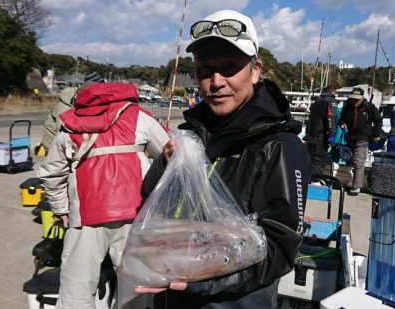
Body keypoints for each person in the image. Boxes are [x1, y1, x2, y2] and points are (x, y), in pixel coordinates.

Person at [134, 9, 312, 309]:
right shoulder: (190, 135)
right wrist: (166, 163)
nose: (216, 81)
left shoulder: (279, 147)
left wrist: (203, 277)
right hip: (169, 296)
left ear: (255, 71)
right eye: (205, 69)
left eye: (229, 67)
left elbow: (280, 251)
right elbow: (150, 203)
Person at [37, 82, 169, 308]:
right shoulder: (137, 116)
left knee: (76, 289)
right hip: (135, 212)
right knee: (137, 284)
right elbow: (169, 155)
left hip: (85, 215)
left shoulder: (70, 121)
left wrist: (61, 209)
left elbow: (51, 172)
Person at [40, 71, 104, 152]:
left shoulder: (83, 98)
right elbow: (64, 131)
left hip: (64, 144)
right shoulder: (66, 104)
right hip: (53, 144)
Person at [339, 87, 382, 196]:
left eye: (357, 99)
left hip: (363, 139)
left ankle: (356, 187)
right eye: (353, 99)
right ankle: (350, 181)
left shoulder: (369, 107)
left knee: (359, 162)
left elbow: (378, 120)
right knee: (351, 161)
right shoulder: (347, 107)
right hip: (350, 138)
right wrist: (342, 123)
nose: (355, 101)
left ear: (362, 98)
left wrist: (376, 134)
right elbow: (341, 119)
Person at [305, 85, 338, 182]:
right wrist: (332, 135)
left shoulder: (316, 101)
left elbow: (310, 120)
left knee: (311, 159)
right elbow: (330, 119)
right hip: (321, 136)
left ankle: (308, 180)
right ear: (332, 92)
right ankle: (315, 181)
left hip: (311, 135)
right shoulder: (331, 101)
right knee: (319, 159)